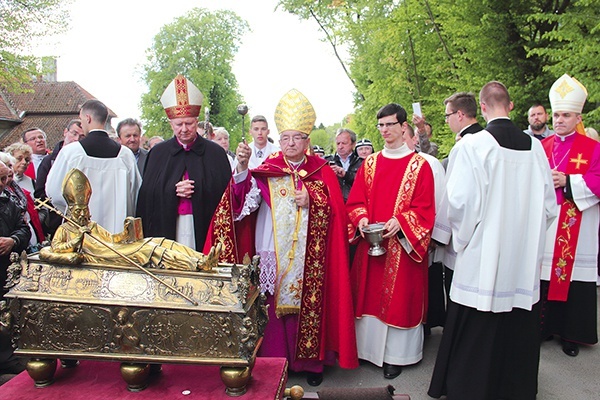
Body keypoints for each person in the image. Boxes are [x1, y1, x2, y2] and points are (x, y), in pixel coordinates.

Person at [215, 89, 358, 386]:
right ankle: (278, 361)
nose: (291, 144)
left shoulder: (321, 172)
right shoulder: (266, 170)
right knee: (273, 304)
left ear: (307, 141)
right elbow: (243, 204)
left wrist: (313, 201)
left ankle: (310, 364)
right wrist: (241, 169)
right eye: (286, 138)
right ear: (278, 141)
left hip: (311, 254)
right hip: (273, 250)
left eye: (297, 138)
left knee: (310, 303)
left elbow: (338, 212)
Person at [428, 81, 557, 400]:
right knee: (517, 322)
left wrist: (464, 241)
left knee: (478, 326)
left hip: (484, 260)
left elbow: (459, 205)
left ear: (482, 108)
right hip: (522, 262)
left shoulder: (473, 146)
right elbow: (549, 207)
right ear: (511, 106)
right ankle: (516, 388)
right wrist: (528, 239)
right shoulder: (535, 147)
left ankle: (472, 387)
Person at [346, 103, 435, 379]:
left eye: (390, 125)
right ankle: (367, 351)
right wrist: (360, 219)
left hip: (402, 247)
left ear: (403, 126)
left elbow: (425, 209)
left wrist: (402, 221)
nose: (385, 130)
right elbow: (356, 200)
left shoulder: (420, 165)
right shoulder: (369, 164)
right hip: (370, 245)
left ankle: (397, 356)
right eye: (381, 125)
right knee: (368, 294)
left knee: (399, 299)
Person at [39, 168, 219, 272]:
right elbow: (56, 248)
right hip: (107, 256)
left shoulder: (91, 225)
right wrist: (78, 238)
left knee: (159, 241)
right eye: (78, 210)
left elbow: (111, 239)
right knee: (151, 250)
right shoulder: (65, 230)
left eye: (85, 209)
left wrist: (125, 233)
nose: (82, 213)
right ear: (70, 211)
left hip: (114, 248)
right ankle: (197, 265)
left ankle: (202, 256)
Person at [540, 74, 599, 357]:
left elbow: (598, 181)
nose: (559, 120)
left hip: (577, 223)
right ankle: (544, 327)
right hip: (548, 223)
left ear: (578, 117)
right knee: (543, 276)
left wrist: (568, 182)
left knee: (573, 280)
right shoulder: (542, 147)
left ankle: (571, 334)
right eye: (556, 114)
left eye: (565, 115)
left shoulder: (592, 148)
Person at [136, 75, 231, 251]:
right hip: (169, 227)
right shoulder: (158, 153)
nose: (184, 129)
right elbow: (147, 197)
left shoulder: (215, 153)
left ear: (197, 122)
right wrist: (172, 189)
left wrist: (198, 189)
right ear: (171, 124)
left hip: (203, 226)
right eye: (179, 124)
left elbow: (225, 197)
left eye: (189, 123)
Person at [46, 99, 142, 234]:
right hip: (117, 231)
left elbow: (54, 192)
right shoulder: (125, 155)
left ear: (88, 118)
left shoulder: (71, 152)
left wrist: (71, 213)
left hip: (81, 231)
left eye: (81, 119)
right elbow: (135, 194)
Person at [403, 124, 447, 332]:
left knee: (429, 280)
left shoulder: (429, 163)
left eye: (405, 136)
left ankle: (427, 324)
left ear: (414, 140)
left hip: (425, 232)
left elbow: (439, 199)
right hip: (401, 234)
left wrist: (435, 235)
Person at [0, 161, 30, 375]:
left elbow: (23, 229)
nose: (5, 183)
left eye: (6, 178)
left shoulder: (9, 203)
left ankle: (6, 356)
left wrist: (13, 240)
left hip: (4, 268)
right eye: (1, 179)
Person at [0, 152, 45, 253]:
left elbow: (24, 229)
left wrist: (13, 240)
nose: (1, 183)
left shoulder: (11, 202)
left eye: (3, 179)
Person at [325, 128, 363, 202]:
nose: (340, 146)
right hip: (333, 205)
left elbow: (364, 183)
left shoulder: (361, 163)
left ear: (353, 144)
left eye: (344, 143)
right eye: (338, 143)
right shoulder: (326, 161)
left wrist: (346, 175)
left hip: (355, 204)